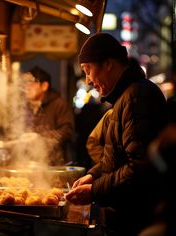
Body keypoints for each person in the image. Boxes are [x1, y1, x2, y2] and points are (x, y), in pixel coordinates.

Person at [65, 33, 168, 236]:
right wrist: (93, 176)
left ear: (108, 64)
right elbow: (118, 158)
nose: (88, 80)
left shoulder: (137, 97)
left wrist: (95, 190)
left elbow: (138, 167)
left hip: (136, 221)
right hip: (123, 218)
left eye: (88, 70)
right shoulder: (125, 97)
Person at [21, 66, 75, 166]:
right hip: (32, 162)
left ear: (44, 86)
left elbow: (67, 131)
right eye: (25, 83)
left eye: (32, 83)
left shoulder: (60, 104)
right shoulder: (27, 105)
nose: (26, 87)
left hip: (54, 163)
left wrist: (40, 137)